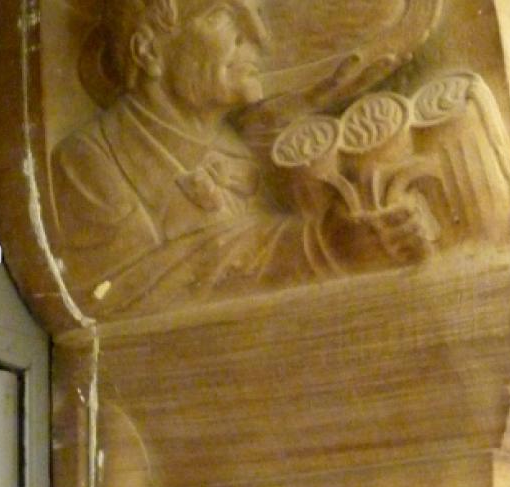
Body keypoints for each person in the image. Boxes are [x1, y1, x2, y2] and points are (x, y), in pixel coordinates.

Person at [48, 0, 432, 319]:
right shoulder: (88, 163)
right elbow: (128, 296)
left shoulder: (247, 148)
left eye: (256, 12)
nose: (259, 36)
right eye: (223, 15)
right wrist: (319, 248)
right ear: (148, 51)